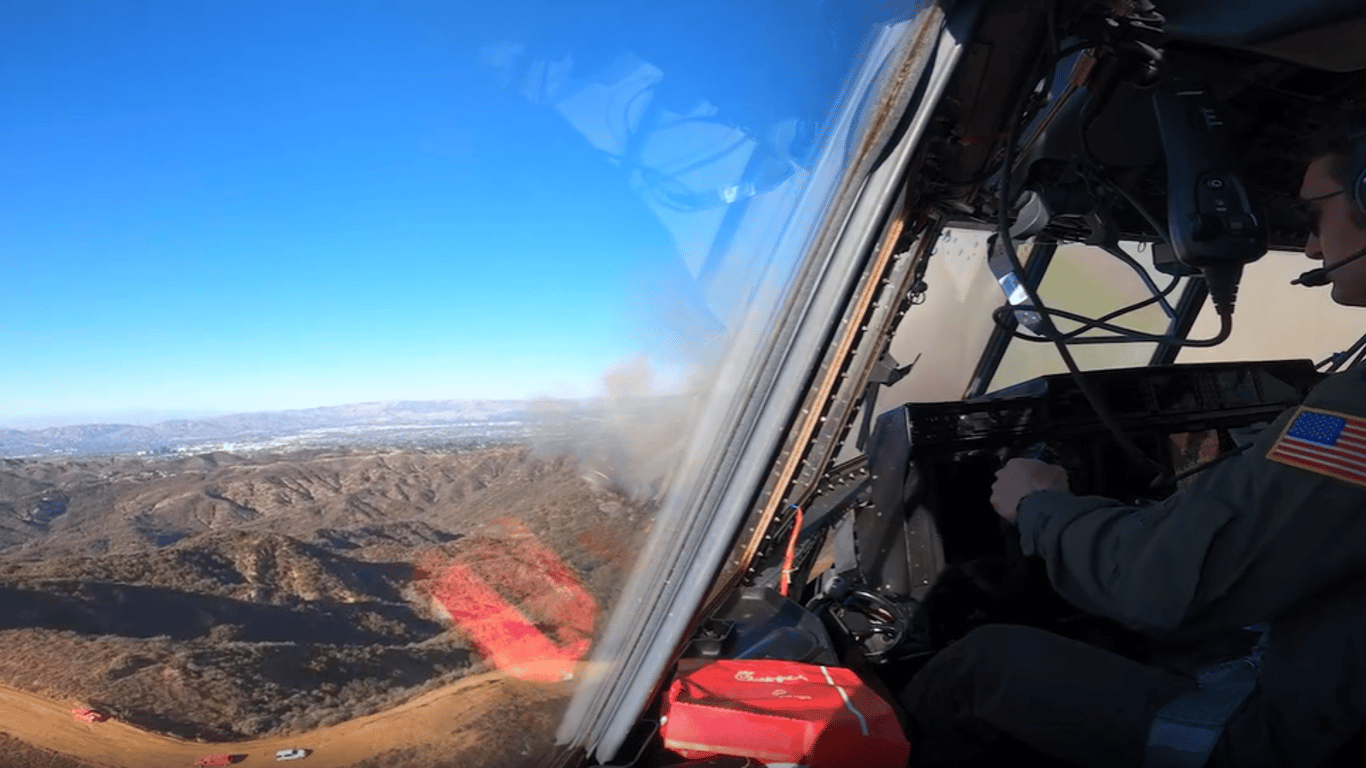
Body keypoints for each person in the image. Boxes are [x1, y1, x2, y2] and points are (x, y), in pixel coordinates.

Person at [898, 127, 1366, 768]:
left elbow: (1158, 583)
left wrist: (1039, 505)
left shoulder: (1351, 414)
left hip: (1290, 742)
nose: (1312, 247)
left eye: (1315, 217)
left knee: (978, 667)